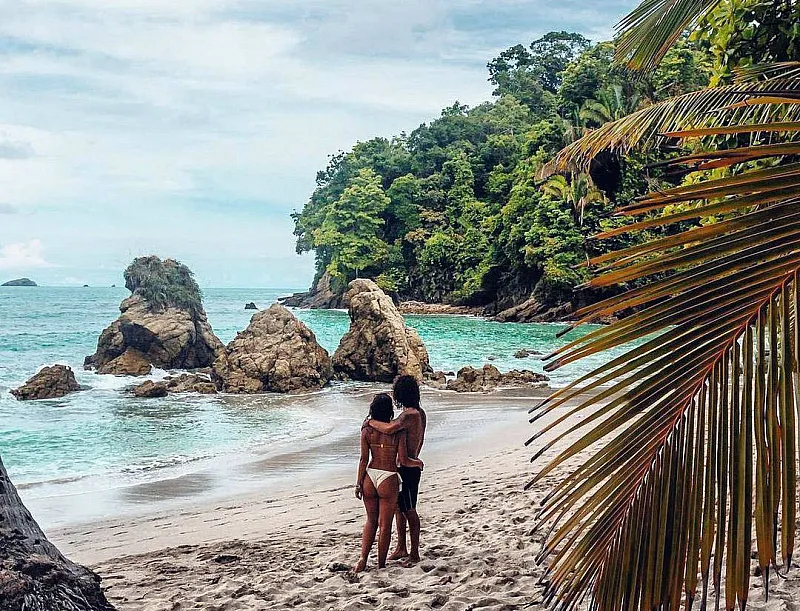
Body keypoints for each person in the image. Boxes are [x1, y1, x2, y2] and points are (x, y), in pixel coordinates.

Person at [354, 393, 423, 572]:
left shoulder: (366, 430)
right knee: (385, 525)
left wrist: (358, 483)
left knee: (371, 521)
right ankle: (381, 563)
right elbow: (403, 459)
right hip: (388, 477)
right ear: (390, 411)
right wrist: (417, 463)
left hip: (370, 475)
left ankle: (362, 559)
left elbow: (363, 459)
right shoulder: (397, 432)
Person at [366, 374, 426, 564]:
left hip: (407, 468)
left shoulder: (409, 415)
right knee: (400, 509)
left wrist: (370, 422)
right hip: (409, 464)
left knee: (409, 510)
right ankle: (401, 547)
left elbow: (390, 429)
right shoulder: (420, 412)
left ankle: (414, 552)